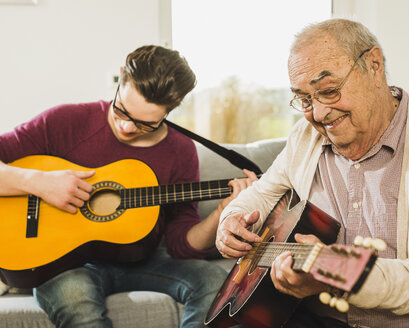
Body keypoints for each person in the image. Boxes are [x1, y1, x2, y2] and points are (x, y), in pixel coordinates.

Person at [215, 18, 409, 327]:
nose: (317, 114)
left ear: (374, 66)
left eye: (329, 91)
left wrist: (335, 275)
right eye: (305, 99)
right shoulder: (304, 138)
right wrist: (231, 222)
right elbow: (262, 192)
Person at [0, 45, 256, 328]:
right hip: (66, 265)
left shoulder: (180, 152)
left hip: (145, 259)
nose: (126, 127)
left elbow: (182, 245)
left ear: (170, 110)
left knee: (214, 281)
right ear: (121, 77)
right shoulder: (65, 122)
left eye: (145, 124)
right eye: (121, 110)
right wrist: (40, 183)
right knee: (75, 296)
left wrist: (222, 212)